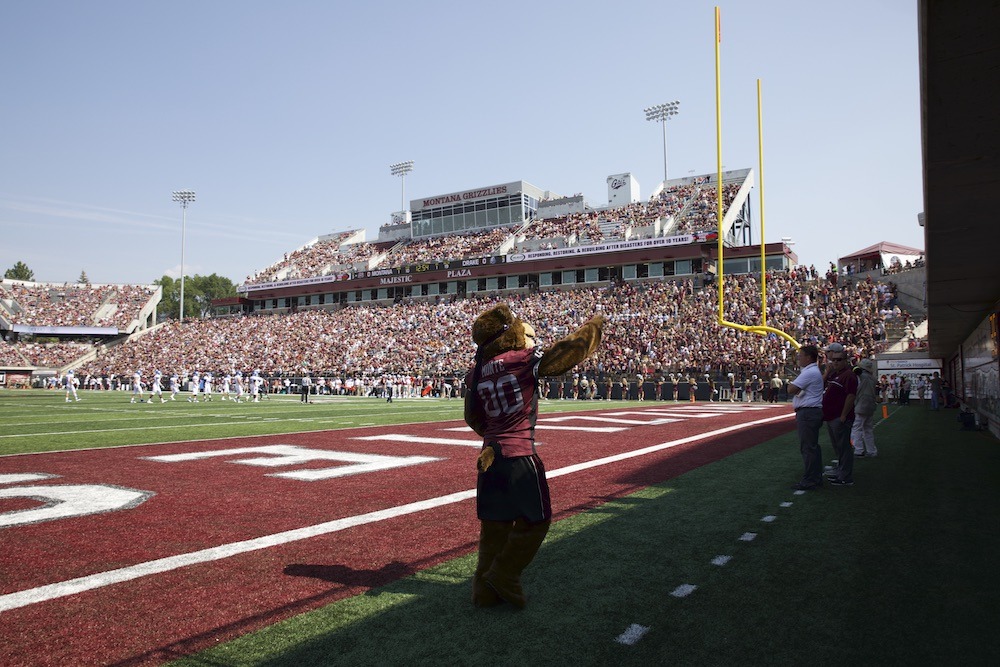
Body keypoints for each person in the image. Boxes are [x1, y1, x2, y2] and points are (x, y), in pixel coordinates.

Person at [465, 303, 604, 609]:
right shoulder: (520, 359)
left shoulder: (475, 371)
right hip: (518, 454)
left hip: (489, 457)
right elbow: (563, 357)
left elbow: (472, 417)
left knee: (494, 530)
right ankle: (504, 574)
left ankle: (483, 592)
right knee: (536, 520)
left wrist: (494, 437)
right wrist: (592, 329)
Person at [787, 344, 824, 490]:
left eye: (801, 356)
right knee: (811, 447)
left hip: (808, 413)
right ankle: (814, 477)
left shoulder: (809, 372)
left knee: (808, 447)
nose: (798, 358)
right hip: (810, 412)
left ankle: (811, 479)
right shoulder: (812, 371)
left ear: (808, 357)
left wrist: (793, 385)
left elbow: (791, 389)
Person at [823, 342, 857, 487]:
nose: (835, 362)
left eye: (838, 360)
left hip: (840, 417)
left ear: (845, 360)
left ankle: (845, 476)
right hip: (832, 416)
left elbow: (851, 396)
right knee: (838, 447)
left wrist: (843, 415)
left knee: (844, 447)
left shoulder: (848, 375)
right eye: (833, 360)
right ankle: (841, 471)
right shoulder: (836, 374)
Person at [852, 358, 878, 457]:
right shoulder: (872, 378)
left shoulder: (861, 376)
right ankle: (871, 450)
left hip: (861, 403)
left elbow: (855, 370)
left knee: (857, 428)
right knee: (868, 429)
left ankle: (858, 450)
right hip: (871, 404)